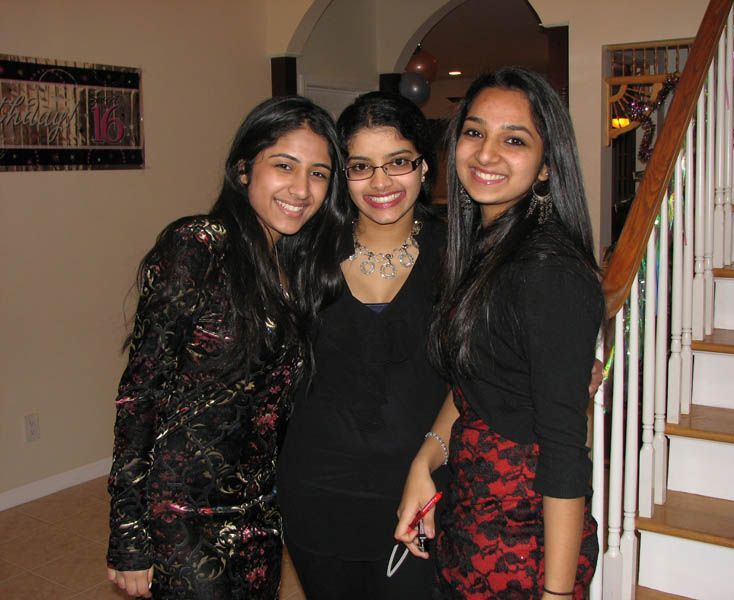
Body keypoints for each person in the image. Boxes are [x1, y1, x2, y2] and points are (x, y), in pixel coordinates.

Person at [105, 95, 347, 599]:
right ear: (243, 169)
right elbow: (140, 392)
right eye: (284, 166)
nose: (302, 189)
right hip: (182, 516)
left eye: (319, 174)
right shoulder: (198, 245)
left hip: (259, 514)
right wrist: (129, 535)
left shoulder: (298, 272)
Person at [395, 67, 603, 600]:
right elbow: (476, 384)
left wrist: (556, 595)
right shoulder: (485, 250)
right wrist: (426, 459)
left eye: (514, 140)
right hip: (472, 519)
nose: (486, 154)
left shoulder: (548, 270)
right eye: (474, 131)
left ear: (545, 168)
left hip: (524, 542)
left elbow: (563, 451)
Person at [277, 91, 448, 599]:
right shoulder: (303, 250)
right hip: (318, 496)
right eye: (360, 166)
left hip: (423, 491)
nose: (381, 183)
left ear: (424, 166)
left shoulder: (461, 249)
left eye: (398, 162)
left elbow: (481, 372)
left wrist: (427, 460)